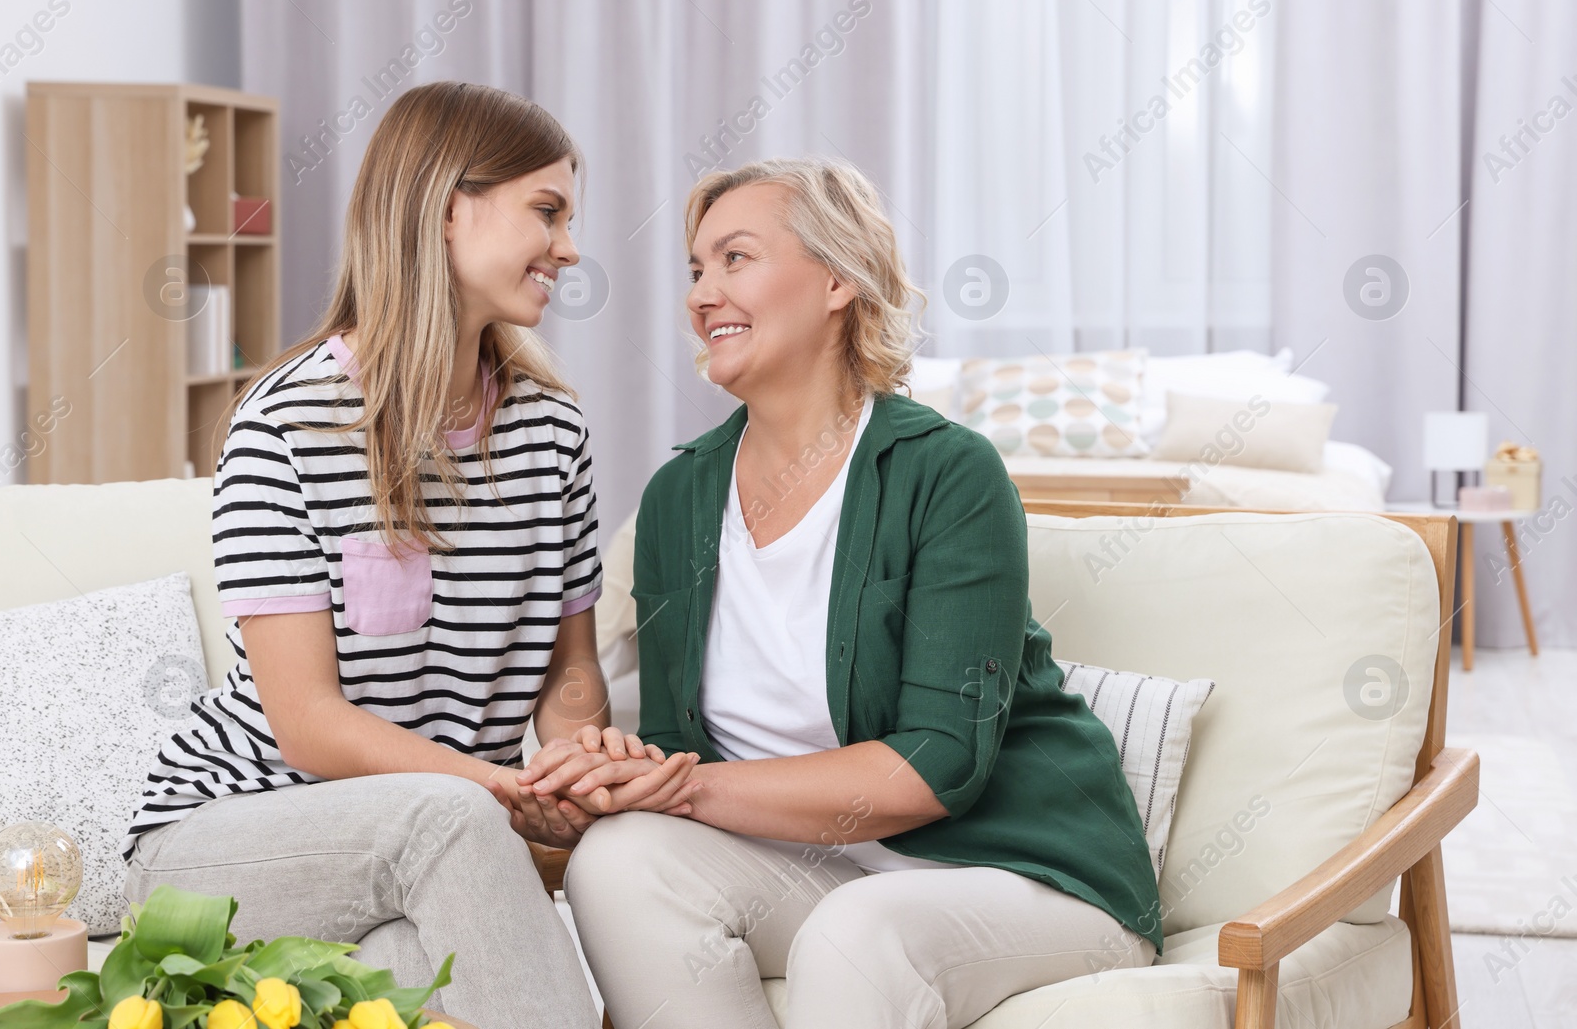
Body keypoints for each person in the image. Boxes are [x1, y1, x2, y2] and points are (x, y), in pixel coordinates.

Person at [524, 157, 1164, 1029]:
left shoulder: (946, 471)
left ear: (836, 278)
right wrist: (621, 779)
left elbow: (940, 762)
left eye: (736, 258)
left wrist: (683, 787)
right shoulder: (679, 499)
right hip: (814, 873)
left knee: (858, 931)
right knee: (618, 858)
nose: (703, 292)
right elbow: (679, 745)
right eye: (696, 269)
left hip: (1015, 877)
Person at [121, 81, 694, 1029]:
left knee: (410, 968)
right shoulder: (287, 425)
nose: (570, 247)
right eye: (545, 212)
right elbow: (306, 724)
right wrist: (504, 791)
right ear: (441, 209)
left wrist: (578, 759)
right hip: (220, 839)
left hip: (423, 840)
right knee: (452, 820)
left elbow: (571, 668)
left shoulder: (553, 432)